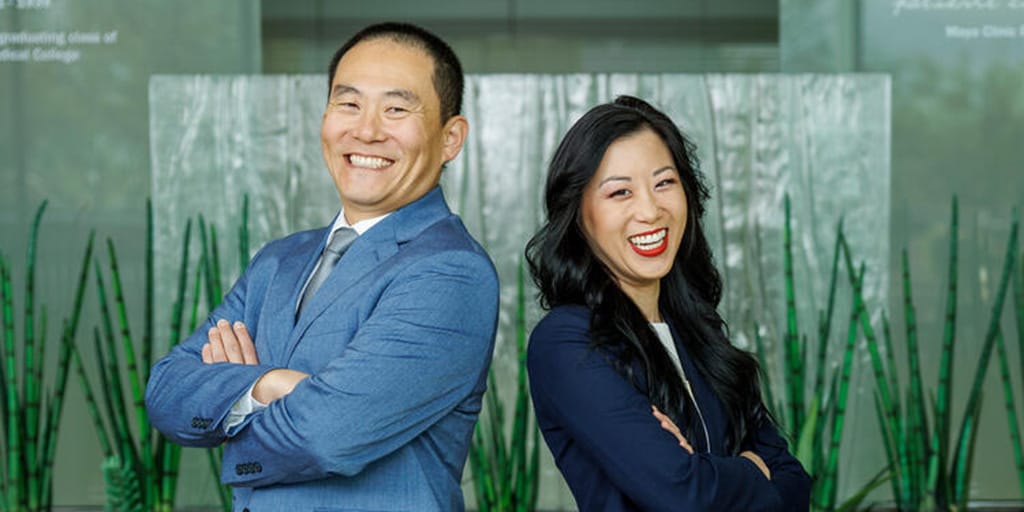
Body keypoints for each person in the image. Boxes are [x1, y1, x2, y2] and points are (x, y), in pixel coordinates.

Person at [145, 22, 499, 511]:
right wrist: (270, 384)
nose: (366, 131)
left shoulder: (450, 271)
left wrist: (232, 400)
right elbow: (166, 390)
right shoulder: (278, 261)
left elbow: (328, 435)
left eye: (396, 109)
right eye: (348, 103)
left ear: (450, 138)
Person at [525, 95, 810, 511]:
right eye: (620, 192)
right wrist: (752, 469)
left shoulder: (699, 332)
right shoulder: (568, 341)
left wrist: (703, 471)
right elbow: (682, 494)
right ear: (578, 215)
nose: (650, 210)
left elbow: (796, 483)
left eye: (664, 183)